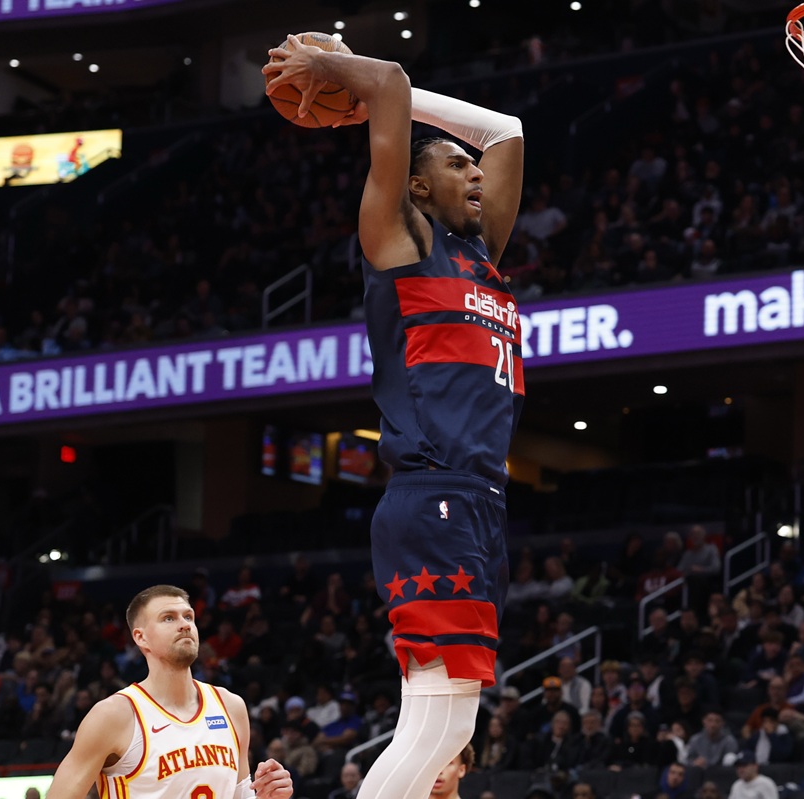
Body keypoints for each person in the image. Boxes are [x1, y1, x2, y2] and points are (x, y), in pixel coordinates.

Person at [263, 31, 524, 799]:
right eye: (454, 166)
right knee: (443, 724)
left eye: (471, 166)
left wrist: (387, 95)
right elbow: (396, 79)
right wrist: (343, 69)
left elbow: (505, 131)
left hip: (480, 502)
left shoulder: (484, 256)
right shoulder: (400, 242)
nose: (475, 173)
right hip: (431, 492)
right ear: (414, 187)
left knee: (447, 725)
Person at [45, 585, 292, 799]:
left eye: (189, 617)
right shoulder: (114, 715)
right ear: (141, 638)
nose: (184, 625)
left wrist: (268, 795)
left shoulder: (230, 706)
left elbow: (239, 794)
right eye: (169, 618)